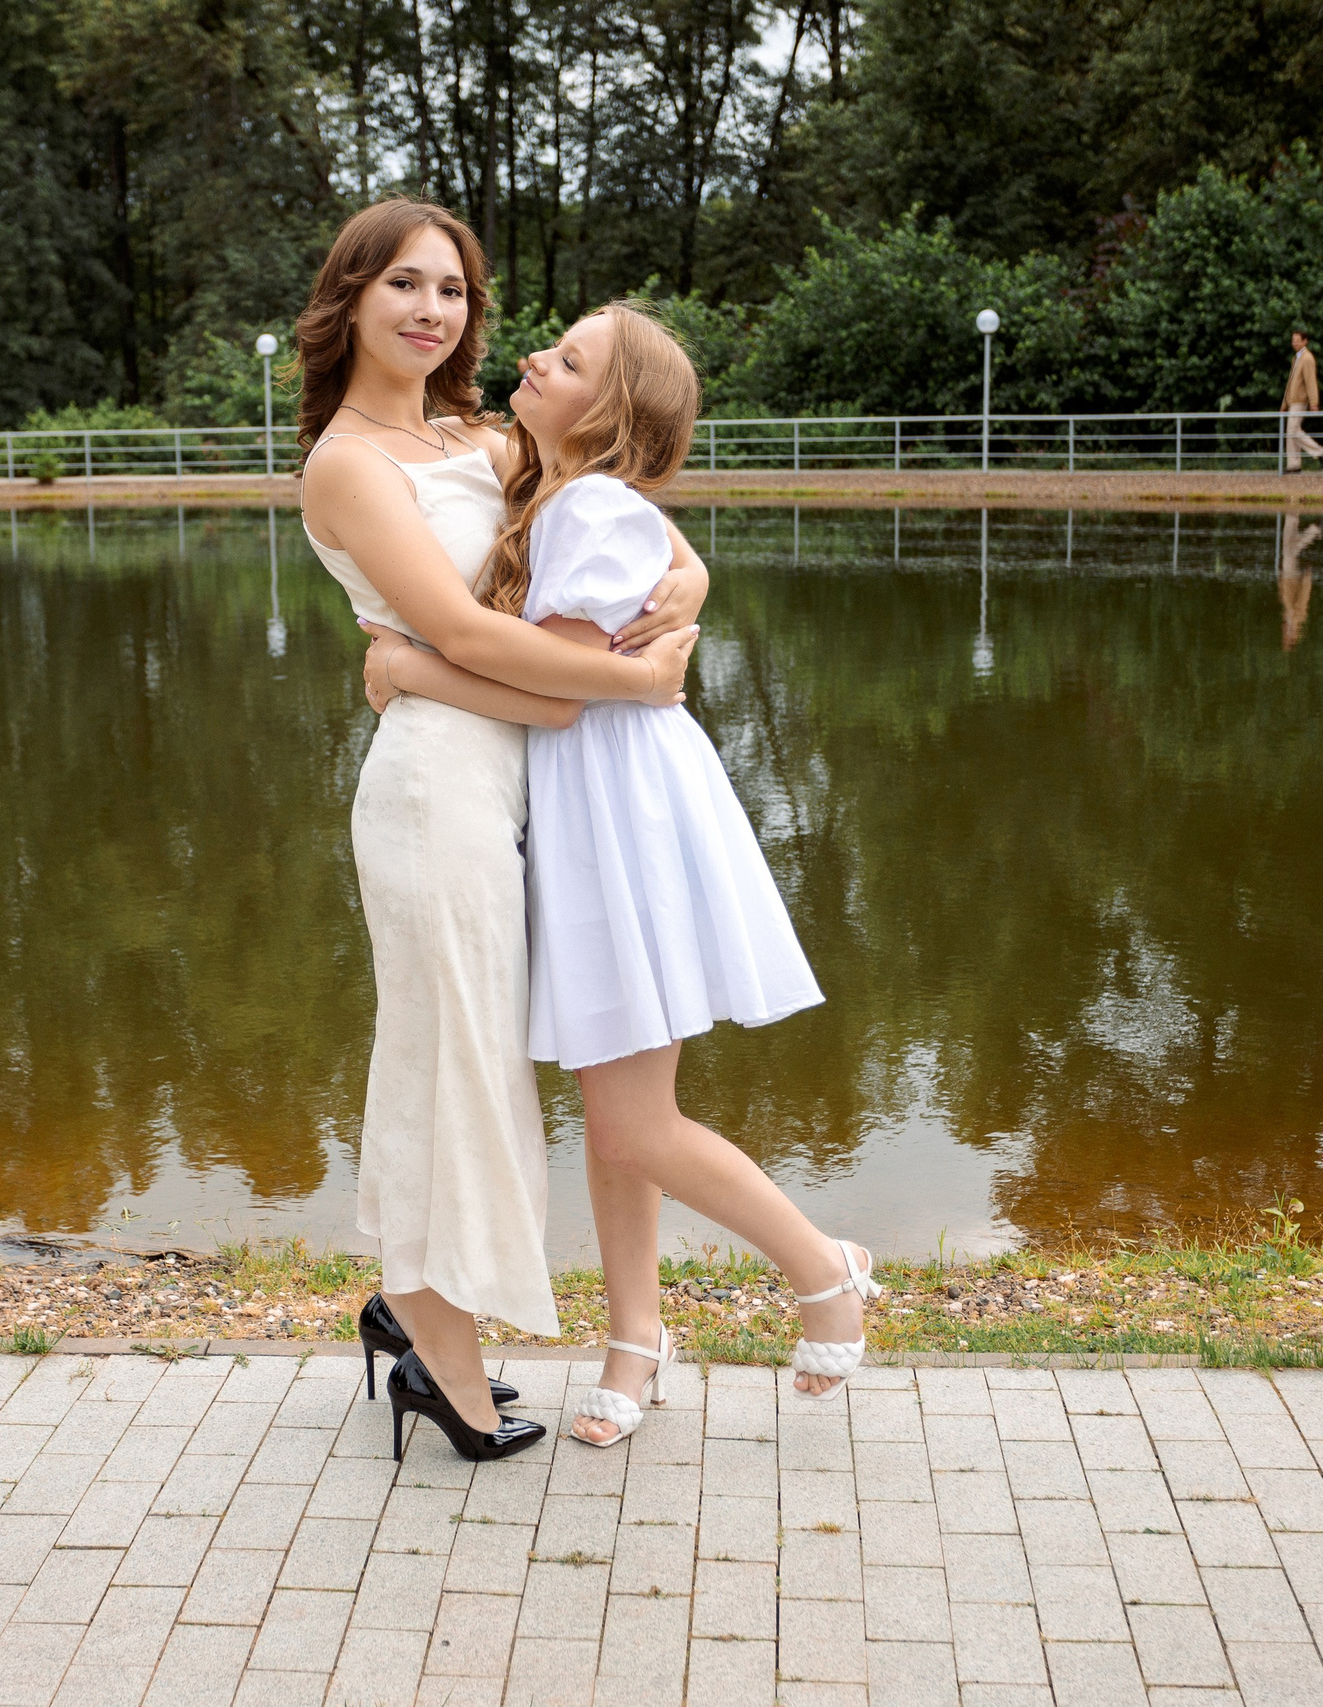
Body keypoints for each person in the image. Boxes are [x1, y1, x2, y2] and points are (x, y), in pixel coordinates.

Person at [364, 304, 877, 1448]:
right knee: (614, 1118)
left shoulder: (590, 506)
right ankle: (634, 1342)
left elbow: (559, 689)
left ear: (607, 413)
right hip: (591, 814)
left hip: (622, 821)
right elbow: (615, 619)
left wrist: (405, 663)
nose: (533, 357)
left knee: (636, 1122)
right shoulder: (556, 493)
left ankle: (823, 1268)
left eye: (570, 359)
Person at [294, 198, 711, 1465]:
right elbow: (465, 636)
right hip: (439, 792)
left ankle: (425, 1318)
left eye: (455, 290)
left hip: (530, 788)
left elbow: (665, 550)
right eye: (405, 285)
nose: (433, 311)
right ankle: (437, 1343)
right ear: (352, 296)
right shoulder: (346, 463)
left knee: (506, 1062)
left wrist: (679, 608)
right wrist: (619, 686)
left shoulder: (486, 436)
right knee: (453, 1062)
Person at [1283, 330, 1323, 472]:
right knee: (1291, 433)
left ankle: (1318, 451)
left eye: (1298, 340)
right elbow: (1290, 382)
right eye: (1293, 340)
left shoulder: (1307, 358)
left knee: (1293, 431)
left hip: (1300, 400)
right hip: (1292, 400)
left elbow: (1310, 381)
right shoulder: (1297, 358)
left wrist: (1314, 402)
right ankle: (1294, 464)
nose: (1295, 343)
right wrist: (1284, 402)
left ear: (1305, 341)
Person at [1278, 513, 1321, 649]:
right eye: (1286, 637)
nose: (1284, 633)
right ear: (1292, 637)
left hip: (1286, 577)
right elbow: (1304, 596)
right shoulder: (1298, 617)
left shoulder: (1287, 617)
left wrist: (1280, 579)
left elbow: (1283, 595)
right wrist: (1307, 578)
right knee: (1289, 551)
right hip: (1293, 577)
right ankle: (1314, 530)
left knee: (1288, 545)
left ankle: (1292, 517)